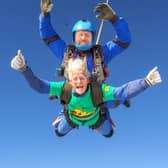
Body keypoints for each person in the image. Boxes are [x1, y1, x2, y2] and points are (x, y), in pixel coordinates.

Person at [11, 50, 162, 138]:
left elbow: (122, 91)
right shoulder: (64, 88)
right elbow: (39, 86)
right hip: (72, 119)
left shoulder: (97, 89)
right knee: (59, 132)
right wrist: (24, 69)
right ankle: (63, 114)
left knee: (109, 133)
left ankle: (109, 108)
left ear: (88, 79)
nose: (78, 82)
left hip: (95, 120)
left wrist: (146, 82)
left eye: (81, 77)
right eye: (74, 78)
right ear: (69, 80)